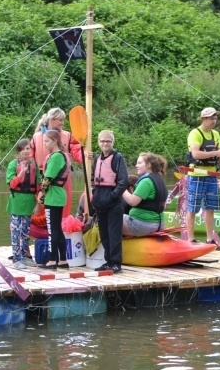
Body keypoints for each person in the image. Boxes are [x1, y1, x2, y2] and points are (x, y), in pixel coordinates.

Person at [186, 107, 220, 245]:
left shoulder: (215, 134)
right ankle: (190, 239)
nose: (214, 121)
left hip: (212, 174)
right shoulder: (195, 133)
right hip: (197, 174)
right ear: (203, 119)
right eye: (211, 118)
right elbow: (196, 154)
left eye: (215, 118)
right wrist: (216, 153)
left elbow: (218, 157)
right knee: (192, 207)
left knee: (211, 208)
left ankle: (210, 239)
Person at [30, 108, 83, 214]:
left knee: (61, 210)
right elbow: (30, 156)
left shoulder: (67, 136)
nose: (63, 123)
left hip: (61, 180)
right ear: (52, 120)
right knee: (41, 209)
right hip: (42, 177)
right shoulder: (37, 137)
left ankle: (61, 225)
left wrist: (85, 156)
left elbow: (77, 151)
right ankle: (43, 227)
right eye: (60, 120)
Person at [91, 130, 128, 273]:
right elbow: (93, 178)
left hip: (113, 203)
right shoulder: (97, 158)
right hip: (100, 201)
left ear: (113, 142)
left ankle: (116, 263)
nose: (105, 143)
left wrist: (113, 196)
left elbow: (123, 181)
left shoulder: (117, 158)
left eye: (108, 141)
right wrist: (95, 193)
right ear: (98, 142)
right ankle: (108, 261)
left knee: (114, 234)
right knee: (104, 234)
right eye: (102, 141)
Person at [37, 130, 71, 269]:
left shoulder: (57, 157)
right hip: (58, 194)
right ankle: (63, 260)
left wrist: (41, 193)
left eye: (46, 141)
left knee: (52, 230)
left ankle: (52, 260)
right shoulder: (61, 155)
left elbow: (48, 178)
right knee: (57, 229)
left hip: (53, 195)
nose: (44, 144)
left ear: (55, 141)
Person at [6, 139, 40, 269]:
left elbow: (38, 186)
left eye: (28, 149)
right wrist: (21, 172)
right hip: (16, 202)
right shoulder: (13, 165)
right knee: (16, 231)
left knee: (26, 231)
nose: (26, 151)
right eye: (24, 149)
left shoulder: (34, 165)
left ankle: (25, 257)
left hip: (29, 201)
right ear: (19, 151)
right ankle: (16, 258)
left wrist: (38, 204)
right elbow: (12, 184)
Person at [122, 153, 168, 236]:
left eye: (139, 163)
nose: (136, 165)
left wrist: (121, 189)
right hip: (159, 224)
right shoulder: (159, 179)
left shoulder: (146, 181)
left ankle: (112, 247)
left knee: (109, 217)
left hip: (144, 225)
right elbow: (164, 207)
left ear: (148, 165)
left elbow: (132, 202)